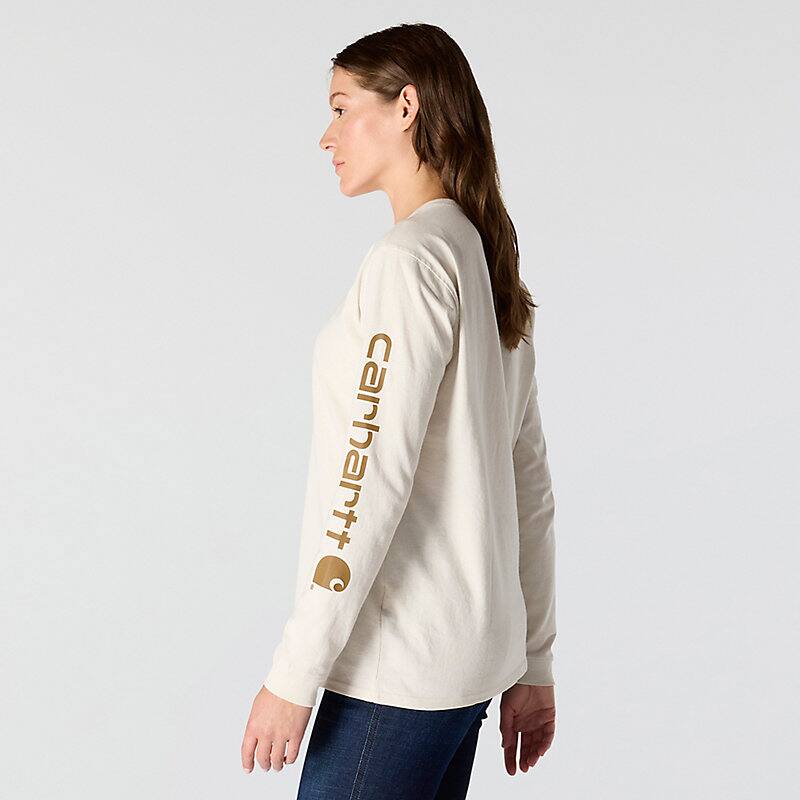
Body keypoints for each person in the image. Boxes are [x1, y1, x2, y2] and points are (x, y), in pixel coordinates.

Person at [241, 22, 557, 799]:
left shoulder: (410, 263)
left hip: (399, 672)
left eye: (342, 108)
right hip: (464, 670)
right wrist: (533, 663)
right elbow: (530, 487)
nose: (327, 135)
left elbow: (366, 480)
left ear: (406, 106)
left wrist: (294, 673)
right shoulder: (483, 260)